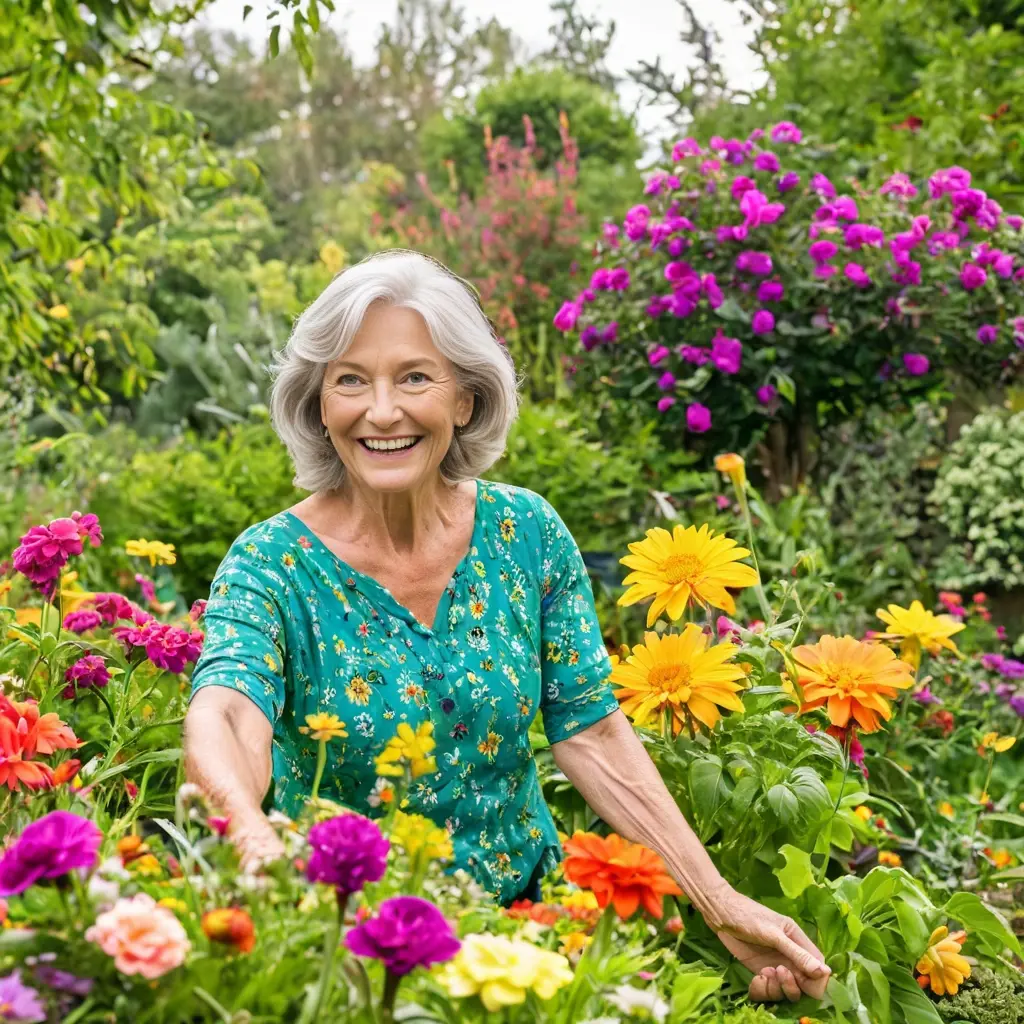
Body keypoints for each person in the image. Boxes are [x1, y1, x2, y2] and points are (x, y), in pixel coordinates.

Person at [184, 249, 830, 1004]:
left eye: (415, 377)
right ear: (319, 406)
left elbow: (591, 730)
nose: (382, 410)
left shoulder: (526, 533)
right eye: (351, 379)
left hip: (533, 942)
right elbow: (227, 710)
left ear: (464, 399)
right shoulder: (272, 563)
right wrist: (252, 838)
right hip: (350, 954)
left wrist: (718, 903)